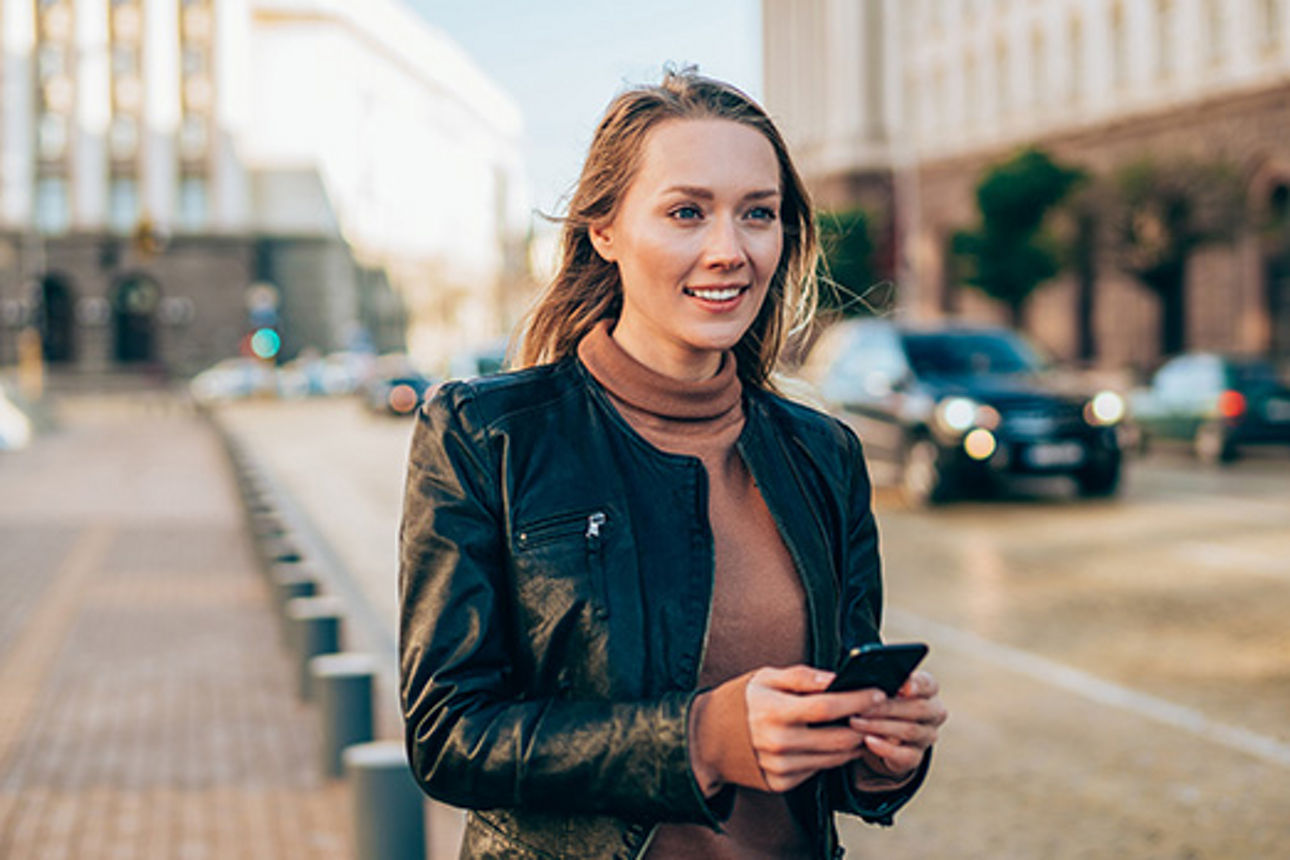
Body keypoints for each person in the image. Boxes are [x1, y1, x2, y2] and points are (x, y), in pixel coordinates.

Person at [399, 69, 947, 860]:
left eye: (757, 214)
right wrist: (698, 741)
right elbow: (449, 735)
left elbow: (827, 739)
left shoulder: (823, 453)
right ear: (605, 230)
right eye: (687, 212)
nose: (729, 251)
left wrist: (878, 757)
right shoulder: (486, 435)